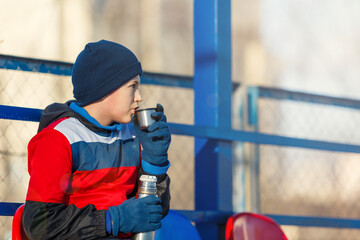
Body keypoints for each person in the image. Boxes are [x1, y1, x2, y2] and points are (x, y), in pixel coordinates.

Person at [22, 40, 171, 239]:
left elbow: (152, 214)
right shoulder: (59, 139)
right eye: (132, 86)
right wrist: (111, 220)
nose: (139, 97)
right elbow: (39, 224)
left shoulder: (132, 135)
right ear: (105, 88)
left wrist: (155, 163)